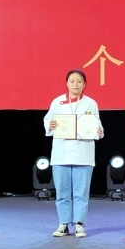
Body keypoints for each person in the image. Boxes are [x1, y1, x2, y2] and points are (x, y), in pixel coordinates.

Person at [44, 69, 103, 238]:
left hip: (83, 154)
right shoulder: (57, 102)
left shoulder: (90, 103)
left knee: (81, 193)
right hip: (61, 153)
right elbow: (47, 120)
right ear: (67, 83)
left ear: (84, 84)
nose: (75, 84)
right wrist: (50, 125)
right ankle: (63, 224)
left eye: (79, 81)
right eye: (72, 81)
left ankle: (79, 224)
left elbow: (97, 125)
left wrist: (98, 131)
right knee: (62, 193)